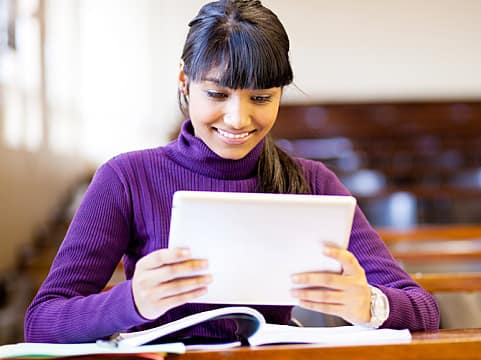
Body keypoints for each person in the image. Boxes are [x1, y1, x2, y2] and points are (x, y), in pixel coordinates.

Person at [24, 0, 439, 343]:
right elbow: (42, 321)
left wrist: (367, 304)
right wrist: (131, 301)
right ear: (185, 82)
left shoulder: (312, 183)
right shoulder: (126, 178)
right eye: (217, 94)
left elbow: (424, 310)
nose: (238, 119)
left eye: (261, 97)